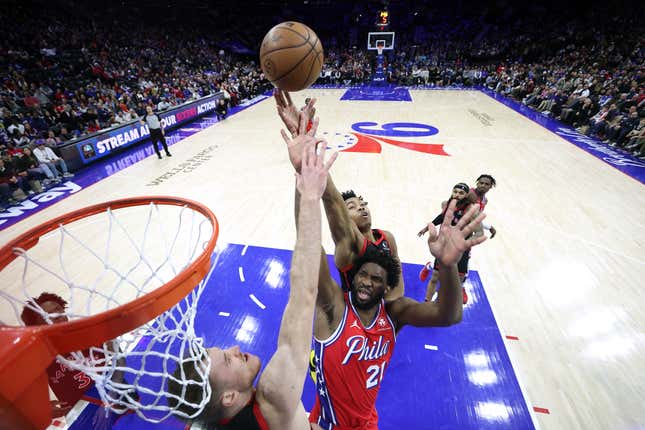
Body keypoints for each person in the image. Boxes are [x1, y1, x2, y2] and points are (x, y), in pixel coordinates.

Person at [281, 112, 488, 430]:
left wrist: (447, 267)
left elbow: (448, 316)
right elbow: (314, 242)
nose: (366, 281)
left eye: (376, 278)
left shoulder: (393, 301)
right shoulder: (338, 293)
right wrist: (308, 179)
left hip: (366, 422)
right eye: (364, 274)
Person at [167, 129, 337, 430]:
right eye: (228, 360)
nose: (234, 348)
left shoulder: (201, 422)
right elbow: (303, 293)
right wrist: (310, 194)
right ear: (229, 397)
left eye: (226, 352)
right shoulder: (274, 400)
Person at [274, 89, 404, 301]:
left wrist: (391, 313)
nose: (360, 207)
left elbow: (399, 288)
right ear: (344, 215)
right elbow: (331, 203)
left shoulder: (386, 238)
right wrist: (307, 161)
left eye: (361, 203)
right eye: (350, 207)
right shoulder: (348, 246)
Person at [20, 293, 134, 421]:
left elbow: (120, 360)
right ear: (36, 325)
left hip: (114, 393)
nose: (56, 315)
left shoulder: (90, 330)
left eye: (57, 309)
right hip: (79, 412)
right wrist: (41, 409)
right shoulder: (38, 354)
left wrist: (110, 396)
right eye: (48, 315)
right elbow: (23, 391)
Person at [417, 183, 476, 302]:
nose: (457, 195)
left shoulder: (470, 208)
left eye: (461, 193)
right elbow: (441, 217)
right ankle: (427, 302)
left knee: (456, 280)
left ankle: (441, 301)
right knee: (435, 276)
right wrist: (427, 227)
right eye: (455, 192)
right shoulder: (449, 204)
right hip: (445, 246)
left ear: (466, 195)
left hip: (460, 248)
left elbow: (474, 227)